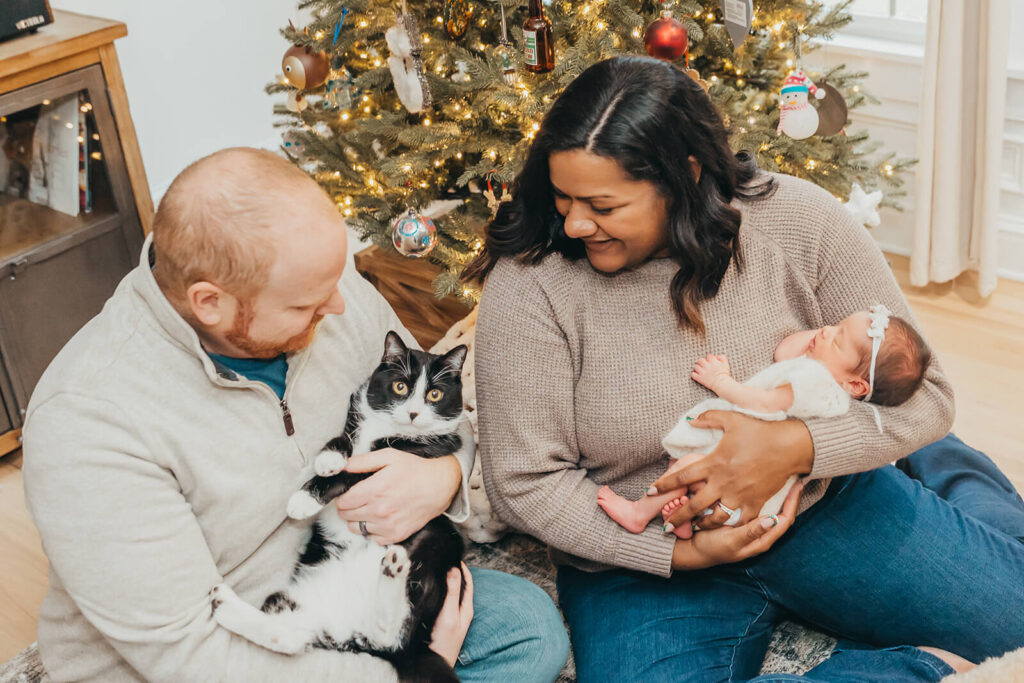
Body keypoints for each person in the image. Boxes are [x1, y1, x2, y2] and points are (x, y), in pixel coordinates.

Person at [468, 56, 1024, 681]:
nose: (574, 222)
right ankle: (925, 665)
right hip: (646, 567)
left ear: (685, 175)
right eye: (563, 197)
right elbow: (523, 481)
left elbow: (929, 396)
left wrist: (797, 444)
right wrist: (674, 555)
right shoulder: (530, 283)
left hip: (823, 506)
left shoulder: (799, 218)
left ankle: (945, 467)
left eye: (602, 203)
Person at [22, 148, 569, 682]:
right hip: (221, 644)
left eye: (336, 281)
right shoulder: (88, 421)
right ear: (210, 302)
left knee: (528, 629)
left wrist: (442, 475)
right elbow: (188, 655)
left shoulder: (320, 287)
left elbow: (447, 420)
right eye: (307, 303)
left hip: (340, 579)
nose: (337, 306)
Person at [599, 306, 931, 540]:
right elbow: (784, 352)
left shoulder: (819, 385)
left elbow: (764, 402)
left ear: (857, 386)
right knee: (685, 467)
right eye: (834, 325)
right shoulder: (819, 373)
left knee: (687, 464)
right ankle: (686, 521)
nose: (826, 330)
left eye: (838, 339)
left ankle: (639, 514)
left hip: (745, 469)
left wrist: (720, 382)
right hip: (742, 461)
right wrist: (825, 340)